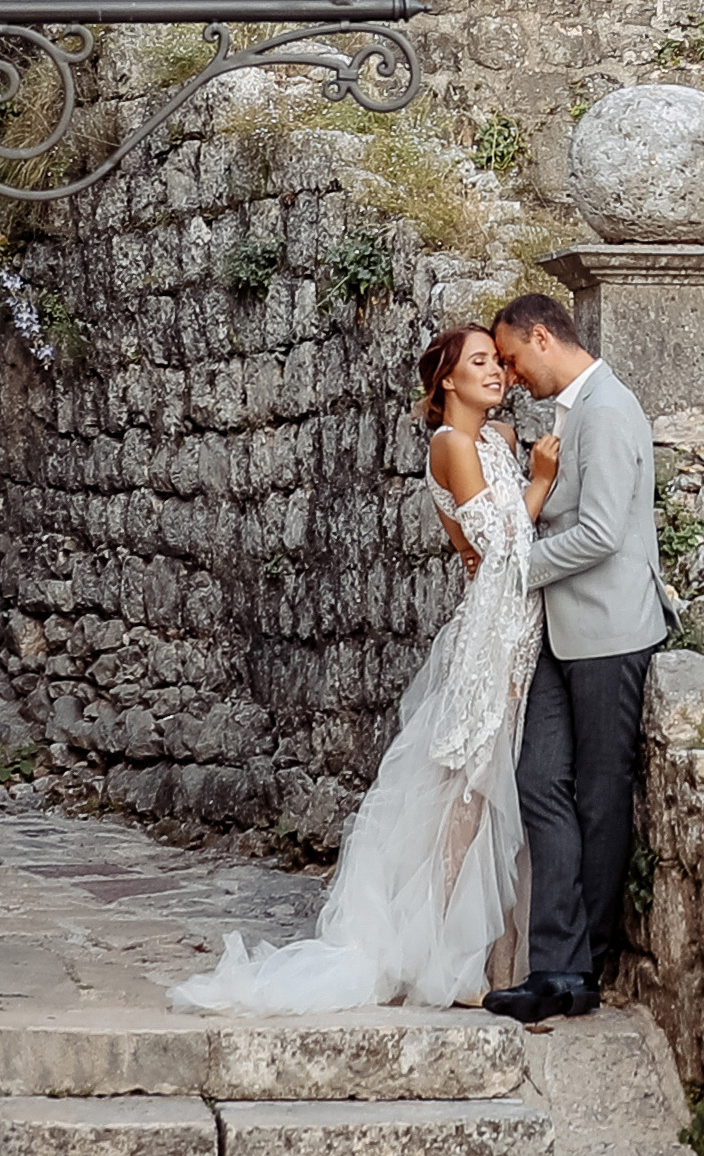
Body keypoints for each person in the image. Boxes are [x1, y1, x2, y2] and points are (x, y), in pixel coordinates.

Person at [168, 325, 561, 1014]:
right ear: (446, 380)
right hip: (491, 636)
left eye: (500, 362)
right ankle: (445, 960)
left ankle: (499, 958)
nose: (497, 373)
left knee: (506, 792)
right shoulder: (452, 446)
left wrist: (527, 477)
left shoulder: (498, 441)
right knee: (466, 797)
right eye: (480, 363)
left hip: (520, 627)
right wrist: (543, 482)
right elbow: (500, 548)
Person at [482, 293, 670, 1023]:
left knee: (598, 796)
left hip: (611, 632)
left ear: (541, 337)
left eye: (511, 357)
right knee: (538, 783)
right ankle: (555, 964)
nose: (510, 373)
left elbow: (598, 534)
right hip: (565, 632)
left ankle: (578, 970)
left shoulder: (610, 409)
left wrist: (513, 565)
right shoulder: (574, 412)